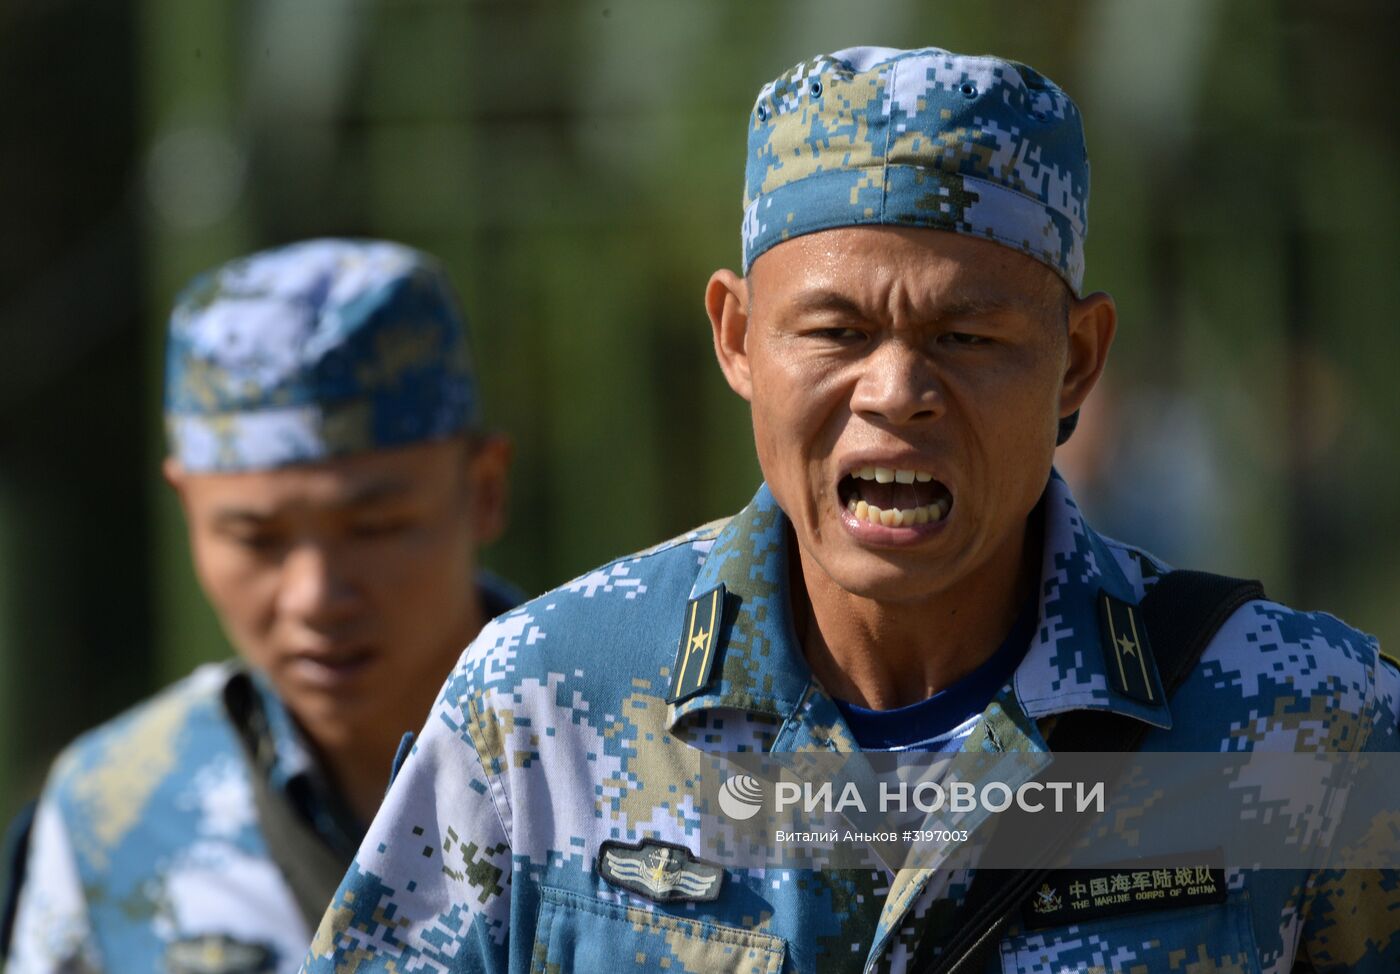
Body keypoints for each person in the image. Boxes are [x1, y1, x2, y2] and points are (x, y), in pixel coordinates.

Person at [300, 48, 1399, 973]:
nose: (896, 391)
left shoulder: (1307, 722)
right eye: (833, 333)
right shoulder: (542, 707)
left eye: (967, 338)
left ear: (1076, 362)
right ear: (736, 338)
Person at [6, 239, 519, 973]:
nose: (315, 596)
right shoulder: (111, 813)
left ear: (485, 489)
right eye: (255, 539)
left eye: (374, 528)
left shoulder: (632, 760)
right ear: (187, 509)